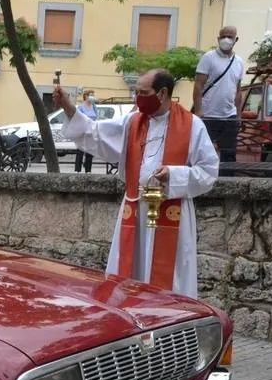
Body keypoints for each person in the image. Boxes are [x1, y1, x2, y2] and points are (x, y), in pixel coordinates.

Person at [55, 68, 220, 299]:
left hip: (171, 213)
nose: (137, 98)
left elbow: (209, 171)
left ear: (162, 94)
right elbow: (96, 133)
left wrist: (174, 174)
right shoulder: (133, 122)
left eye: (142, 93)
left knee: (168, 281)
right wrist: (68, 107)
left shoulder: (192, 125)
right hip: (135, 210)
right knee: (130, 271)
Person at [193, 26, 244, 166]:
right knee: (204, 154)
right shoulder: (208, 58)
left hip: (229, 117)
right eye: (223, 36)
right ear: (218, 38)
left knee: (229, 155)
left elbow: (238, 90)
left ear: (236, 39)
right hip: (208, 115)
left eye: (230, 36)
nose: (226, 39)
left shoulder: (239, 61)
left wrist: (238, 114)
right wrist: (198, 110)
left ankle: (229, 182)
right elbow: (198, 85)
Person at [74, 89, 98, 173]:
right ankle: (77, 170)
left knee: (90, 151)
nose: (93, 97)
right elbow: (78, 119)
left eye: (93, 95)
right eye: (91, 95)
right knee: (80, 150)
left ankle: (88, 170)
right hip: (82, 131)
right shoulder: (80, 107)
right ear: (86, 96)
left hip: (91, 131)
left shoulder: (94, 106)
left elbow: (96, 117)